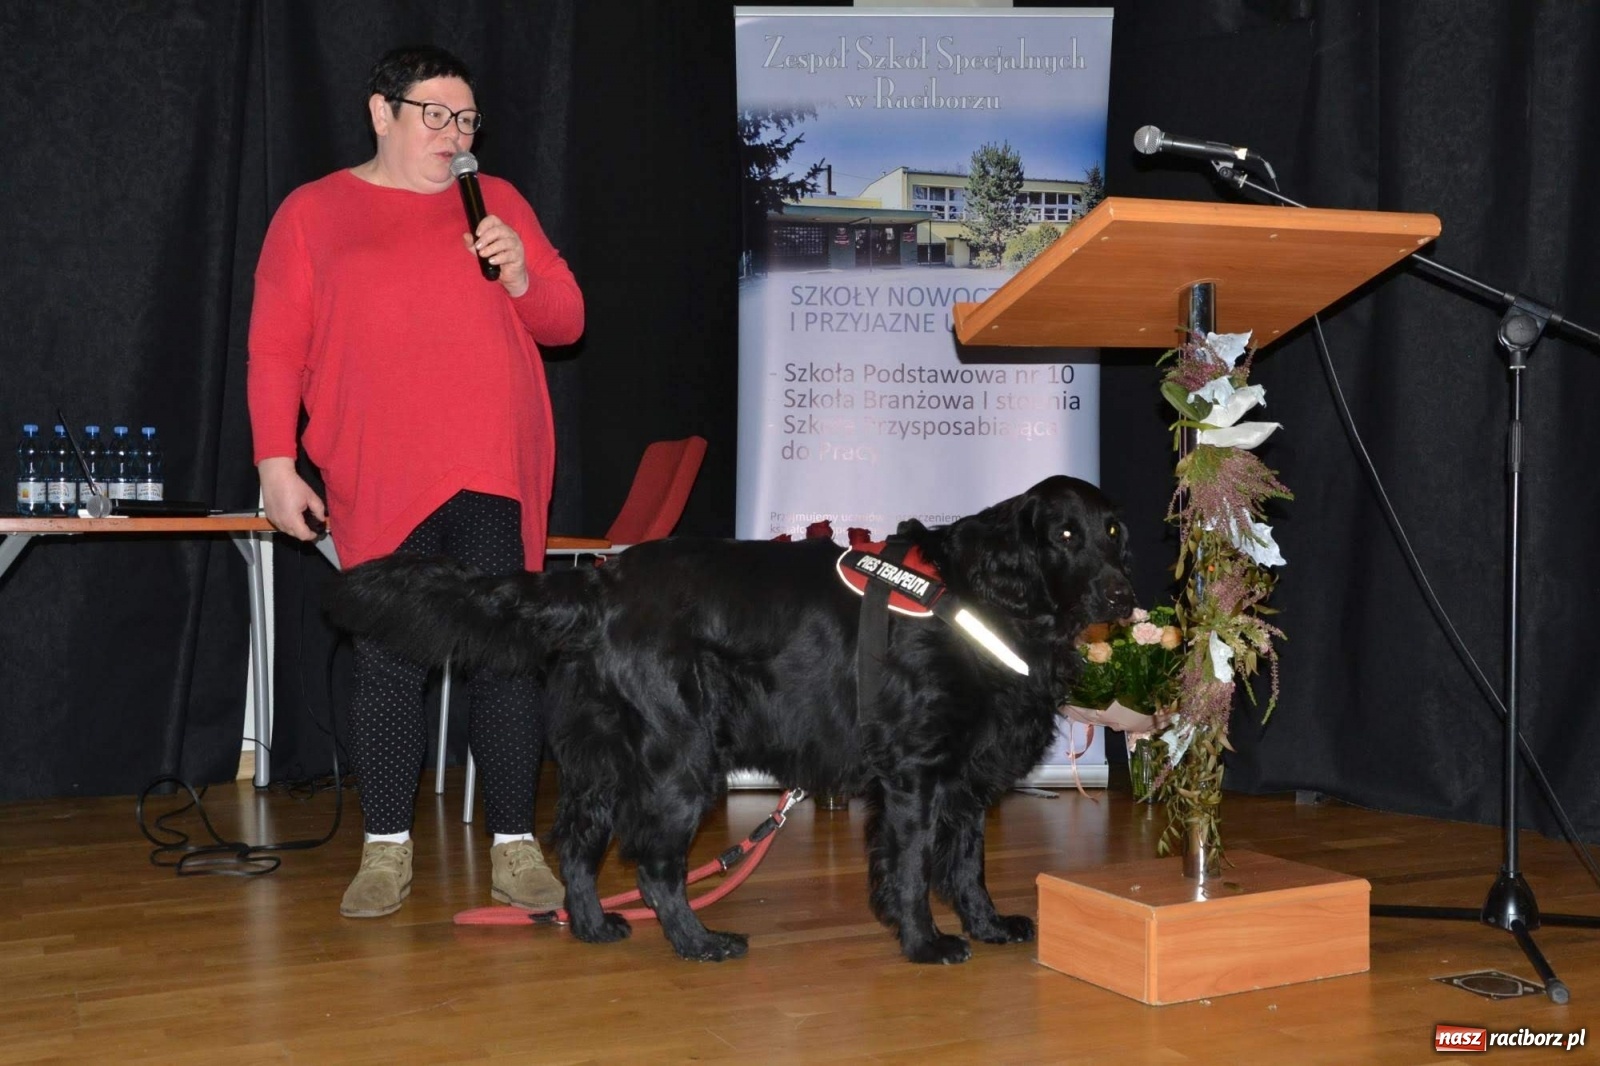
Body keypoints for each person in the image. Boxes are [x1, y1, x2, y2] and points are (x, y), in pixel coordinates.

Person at [247, 45, 583, 918]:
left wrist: (518, 271)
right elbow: (276, 345)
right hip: (380, 472)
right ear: (380, 113)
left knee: (507, 660)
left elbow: (567, 319)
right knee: (390, 662)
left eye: (466, 119)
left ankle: (515, 846)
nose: (454, 134)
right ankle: (386, 850)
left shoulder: (497, 202)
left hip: (493, 468)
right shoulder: (314, 212)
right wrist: (276, 464)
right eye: (434, 114)